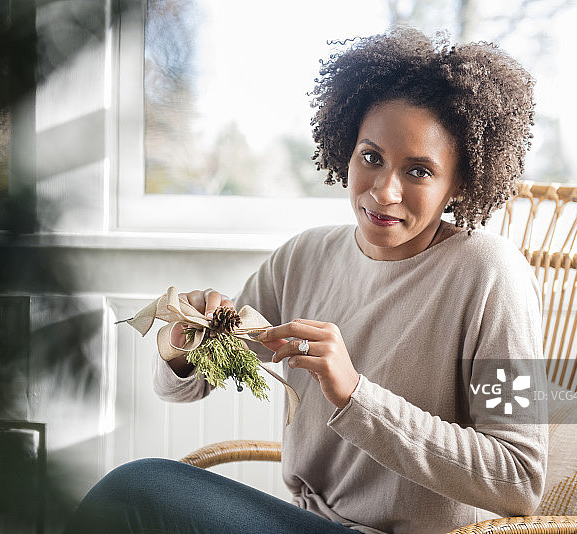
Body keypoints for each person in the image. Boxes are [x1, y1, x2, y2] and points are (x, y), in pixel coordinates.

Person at [65, 27, 548, 534]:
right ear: (346, 149)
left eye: (419, 171)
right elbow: (188, 388)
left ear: (461, 181)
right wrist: (187, 345)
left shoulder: (491, 276)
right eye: (371, 157)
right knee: (137, 490)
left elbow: (517, 477)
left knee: (136, 491)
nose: (384, 191)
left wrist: (356, 396)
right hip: (307, 523)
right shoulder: (304, 257)